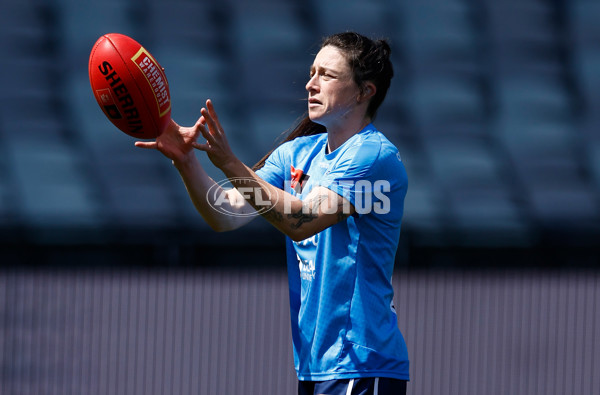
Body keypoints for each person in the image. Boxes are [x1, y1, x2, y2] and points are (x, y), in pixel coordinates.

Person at [136, 32, 409, 395]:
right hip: (316, 365)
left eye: (326, 75)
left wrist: (232, 164)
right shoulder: (295, 153)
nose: (311, 83)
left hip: (360, 363)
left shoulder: (374, 157)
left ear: (364, 91)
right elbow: (226, 212)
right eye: (312, 71)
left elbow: (302, 221)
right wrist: (187, 162)